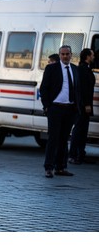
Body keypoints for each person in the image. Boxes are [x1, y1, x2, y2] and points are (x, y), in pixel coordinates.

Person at [40, 45, 80, 178]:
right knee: (53, 139)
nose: (65, 56)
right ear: (59, 55)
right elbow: (44, 88)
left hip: (70, 109)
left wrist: (77, 108)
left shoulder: (75, 69)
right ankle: (48, 168)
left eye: (67, 54)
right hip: (55, 108)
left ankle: (61, 167)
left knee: (64, 140)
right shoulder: (52, 68)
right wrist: (47, 106)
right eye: (62, 54)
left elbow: (77, 89)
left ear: (71, 54)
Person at [68, 48, 95, 164]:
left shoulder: (85, 68)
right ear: (87, 56)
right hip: (82, 106)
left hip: (84, 105)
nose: (94, 57)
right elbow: (83, 90)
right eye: (92, 55)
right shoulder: (83, 70)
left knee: (83, 131)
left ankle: (80, 154)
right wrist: (87, 105)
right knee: (78, 130)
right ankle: (72, 155)